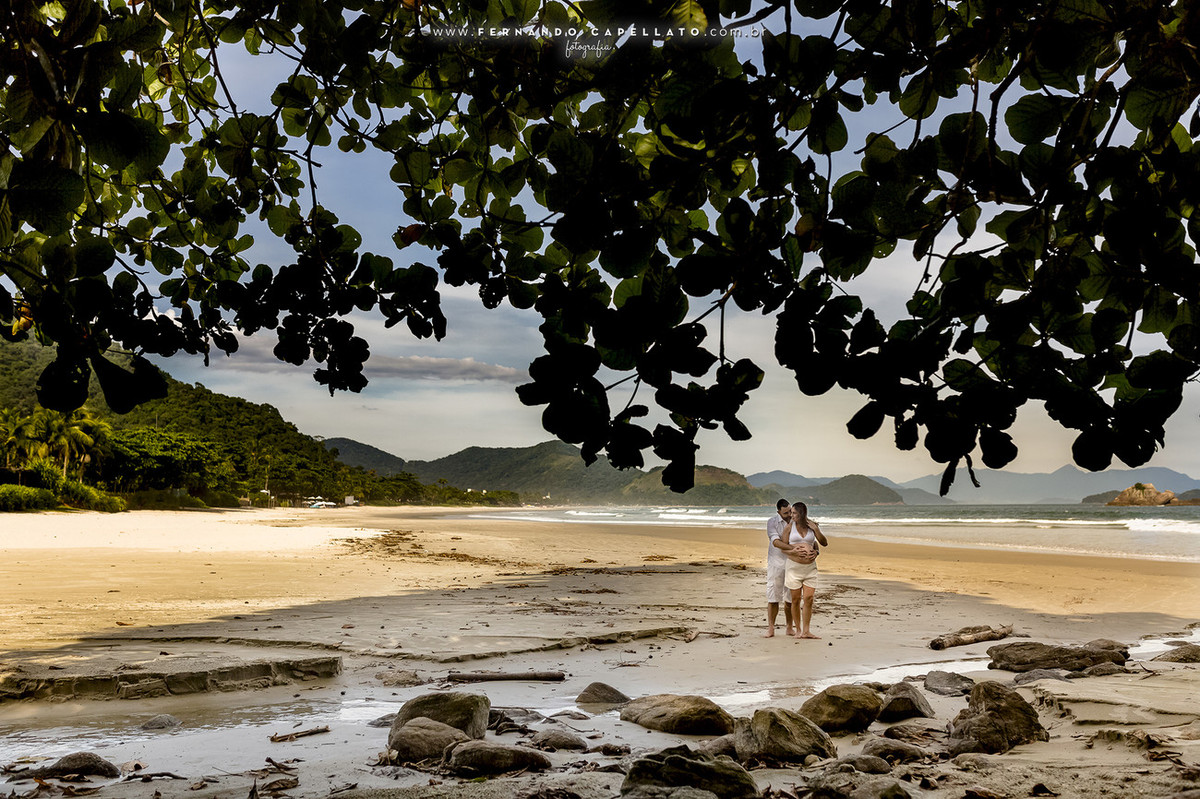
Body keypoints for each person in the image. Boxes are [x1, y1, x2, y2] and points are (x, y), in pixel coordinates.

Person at [776, 501, 828, 639]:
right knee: (796, 599)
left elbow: (823, 543)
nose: (791, 516)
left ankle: (806, 631)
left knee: (809, 599)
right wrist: (794, 552)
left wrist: (816, 533)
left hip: (810, 568)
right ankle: (798, 630)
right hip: (793, 568)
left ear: (802, 514)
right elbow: (783, 547)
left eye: (794, 513)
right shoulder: (789, 528)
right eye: (791, 513)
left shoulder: (812, 526)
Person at [764, 499, 794, 637]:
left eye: (790, 511)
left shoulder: (796, 519)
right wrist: (795, 549)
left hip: (793, 563)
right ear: (778, 512)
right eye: (785, 512)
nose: (789, 514)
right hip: (776, 563)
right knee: (773, 596)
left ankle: (789, 627)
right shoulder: (772, 522)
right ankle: (771, 627)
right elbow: (776, 542)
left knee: (790, 598)